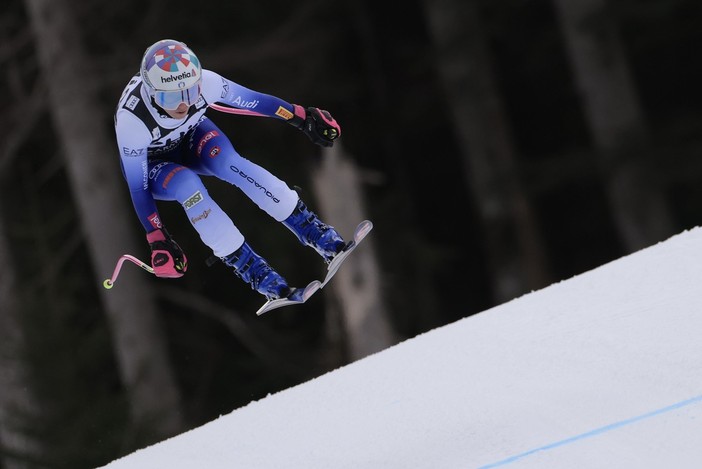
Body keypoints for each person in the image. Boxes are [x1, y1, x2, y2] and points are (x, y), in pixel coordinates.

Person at [114, 39, 346, 300]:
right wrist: (156, 235)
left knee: (230, 164)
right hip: (154, 165)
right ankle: (256, 273)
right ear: (152, 93)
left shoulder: (207, 84)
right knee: (188, 185)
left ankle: (317, 234)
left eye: (190, 93)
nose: (183, 105)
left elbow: (255, 102)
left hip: (190, 137)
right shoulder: (131, 123)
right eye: (171, 97)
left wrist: (302, 117)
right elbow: (138, 186)